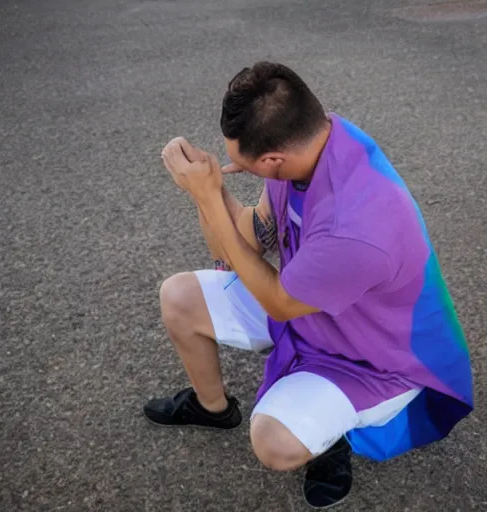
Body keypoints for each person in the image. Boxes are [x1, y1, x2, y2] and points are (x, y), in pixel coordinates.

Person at [143, 62, 474, 509]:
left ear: (273, 160)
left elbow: (278, 302)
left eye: (242, 165)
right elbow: (239, 248)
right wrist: (213, 193)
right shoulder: (313, 142)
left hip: (376, 357)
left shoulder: (356, 225)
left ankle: (331, 435)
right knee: (179, 296)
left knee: (274, 442)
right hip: (311, 308)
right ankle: (212, 407)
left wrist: (205, 197)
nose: (239, 170)